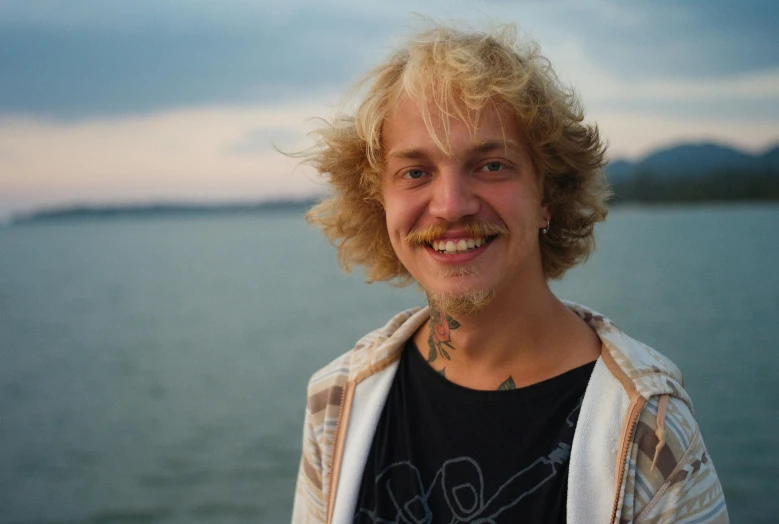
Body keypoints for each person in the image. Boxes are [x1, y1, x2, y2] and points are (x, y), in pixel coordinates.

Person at [292, 23, 728, 524]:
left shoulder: (649, 431)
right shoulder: (338, 401)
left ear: (548, 196)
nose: (451, 205)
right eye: (415, 172)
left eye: (492, 165)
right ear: (380, 203)